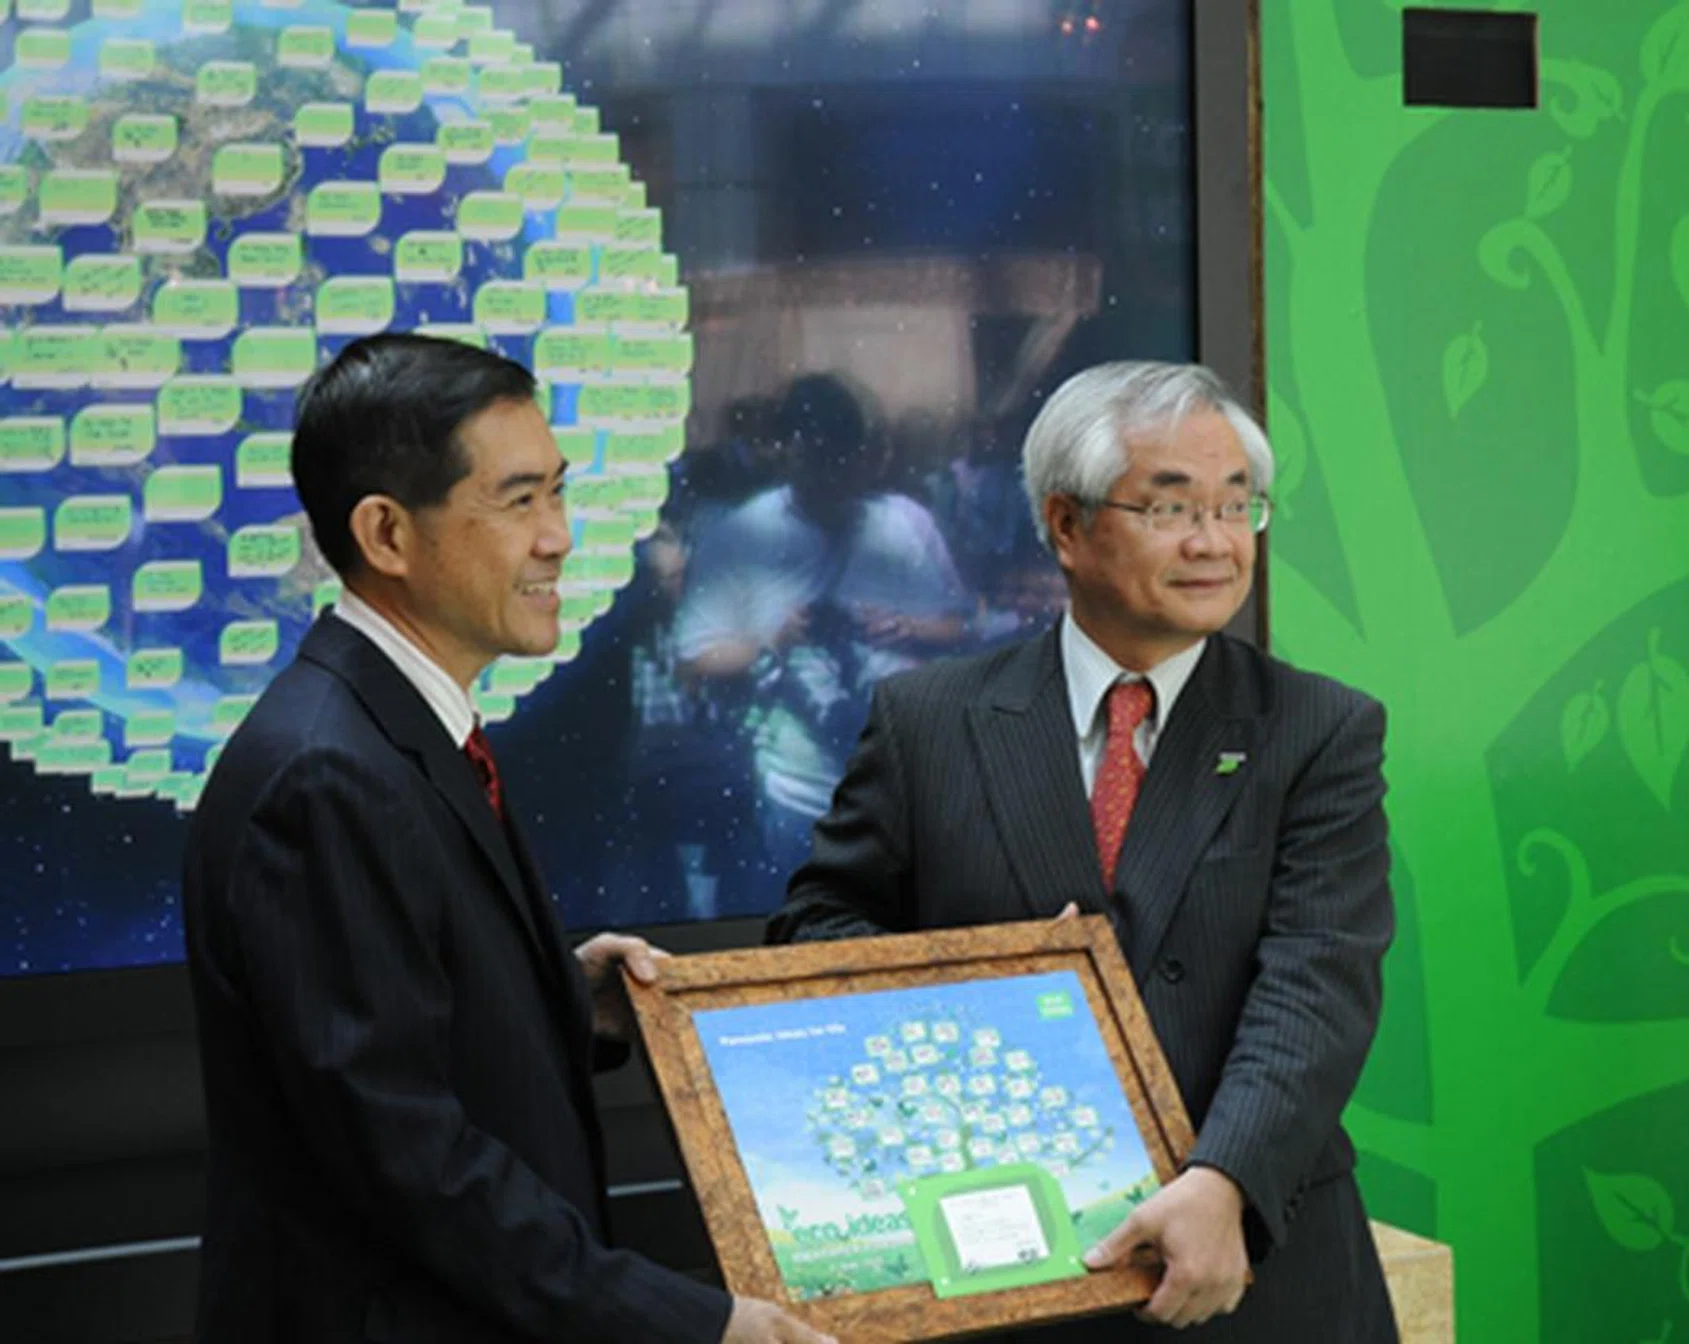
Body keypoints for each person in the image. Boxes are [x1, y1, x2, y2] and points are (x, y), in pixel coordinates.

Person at [182, 333, 833, 1344]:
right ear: (387, 534)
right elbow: (409, 1160)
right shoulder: (327, 775)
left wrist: (562, 1002)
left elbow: (399, 1028)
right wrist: (690, 1323)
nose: (560, 537)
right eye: (518, 501)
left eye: (559, 493)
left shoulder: (394, 726)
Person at [766, 361, 1397, 1342]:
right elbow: (820, 928)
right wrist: (977, 985)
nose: (1214, 543)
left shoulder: (1317, 730)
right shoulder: (929, 719)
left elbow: (1318, 984)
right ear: (1066, 525)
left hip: (1256, 1264)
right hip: (1004, 1272)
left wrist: (1221, 1182)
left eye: (1239, 507)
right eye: (1171, 507)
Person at [672, 373, 970, 879]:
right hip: (799, 796)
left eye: (842, 459)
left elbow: (960, 629)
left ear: (864, 456)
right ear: (790, 452)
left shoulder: (905, 522)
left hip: (907, 795)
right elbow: (693, 663)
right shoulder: (741, 534)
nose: (831, 475)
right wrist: (773, 641)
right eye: (817, 457)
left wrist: (909, 628)